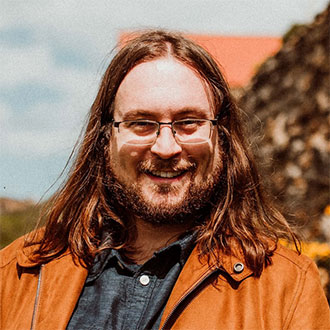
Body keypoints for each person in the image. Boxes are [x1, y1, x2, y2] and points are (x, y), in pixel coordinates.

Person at [1, 29, 329, 330]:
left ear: (222, 138)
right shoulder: (14, 276)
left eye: (189, 122)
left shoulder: (287, 290)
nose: (166, 147)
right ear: (106, 140)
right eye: (141, 123)